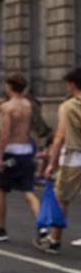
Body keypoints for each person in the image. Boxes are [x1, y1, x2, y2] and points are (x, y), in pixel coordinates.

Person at [0, 73, 40, 242]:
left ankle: (1, 229)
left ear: (10, 86)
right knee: (28, 191)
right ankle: (43, 227)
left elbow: (5, 133)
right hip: (26, 150)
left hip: (11, 152)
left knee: (1, 190)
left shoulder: (7, 107)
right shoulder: (29, 105)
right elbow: (33, 128)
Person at [41, 68, 81, 252]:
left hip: (73, 157)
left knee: (61, 198)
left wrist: (51, 163)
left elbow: (59, 137)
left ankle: (54, 239)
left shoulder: (68, 106)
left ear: (72, 84)